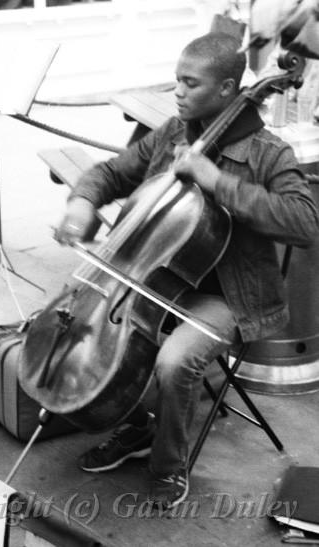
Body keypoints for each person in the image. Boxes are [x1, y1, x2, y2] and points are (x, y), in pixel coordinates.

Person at [55, 32, 319, 509]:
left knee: (175, 359)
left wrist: (217, 181)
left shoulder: (268, 153)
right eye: (176, 79)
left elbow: (304, 223)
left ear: (226, 89)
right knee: (113, 337)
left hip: (230, 296)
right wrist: (81, 202)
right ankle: (137, 428)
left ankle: (168, 465)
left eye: (189, 83)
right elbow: (113, 173)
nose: (176, 92)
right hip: (156, 279)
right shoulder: (174, 133)